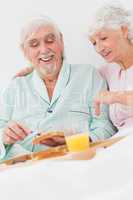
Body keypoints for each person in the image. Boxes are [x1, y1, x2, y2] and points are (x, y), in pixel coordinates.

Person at [0, 16, 116, 161]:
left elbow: (106, 126)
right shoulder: (15, 88)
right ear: (25, 51)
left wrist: (78, 141)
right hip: (24, 167)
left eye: (50, 40)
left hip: (76, 162)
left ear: (61, 41)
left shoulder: (88, 75)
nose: (44, 49)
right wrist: (4, 138)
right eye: (34, 44)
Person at [88, 2, 133, 131]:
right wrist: (34, 70)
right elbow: (77, 76)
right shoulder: (107, 71)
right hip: (122, 142)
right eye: (94, 43)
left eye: (103, 38)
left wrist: (116, 96)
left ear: (124, 30)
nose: (99, 48)